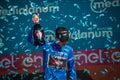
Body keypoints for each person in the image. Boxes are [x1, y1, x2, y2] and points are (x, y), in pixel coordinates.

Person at [28, 13, 77, 80]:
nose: (64, 42)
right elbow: (30, 40)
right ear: (56, 38)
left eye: (66, 40)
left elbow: (72, 69)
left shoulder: (69, 50)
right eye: (62, 40)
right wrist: (36, 24)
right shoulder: (47, 46)